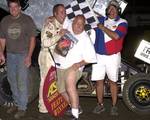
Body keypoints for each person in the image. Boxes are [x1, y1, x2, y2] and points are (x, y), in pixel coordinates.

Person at [54, 15, 97, 119]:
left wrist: (78, 65)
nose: (79, 26)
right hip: (60, 65)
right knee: (61, 90)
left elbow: (92, 58)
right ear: (72, 23)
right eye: (77, 23)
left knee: (70, 86)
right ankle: (76, 106)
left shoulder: (86, 39)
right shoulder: (68, 26)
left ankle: (75, 115)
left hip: (74, 67)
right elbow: (60, 16)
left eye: (82, 24)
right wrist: (51, 18)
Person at [0, 0, 36, 119]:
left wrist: (29, 56)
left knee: (21, 82)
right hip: (10, 54)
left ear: (20, 8)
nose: (13, 9)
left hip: (23, 54)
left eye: (16, 7)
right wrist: (1, 53)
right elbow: (2, 39)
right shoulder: (5, 21)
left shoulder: (27, 20)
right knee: (11, 80)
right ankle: (16, 103)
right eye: (11, 7)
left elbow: (32, 39)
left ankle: (22, 107)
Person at [91, 0, 128, 116]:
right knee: (99, 82)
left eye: (114, 9)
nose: (112, 11)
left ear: (118, 11)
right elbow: (83, 21)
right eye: (110, 9)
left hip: (113, 57)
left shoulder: (123, 22)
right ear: (106, 11)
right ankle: (100, 105)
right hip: (98, 56)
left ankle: (114, 106)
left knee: (113, 82)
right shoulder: (100, 20)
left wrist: (102, 28)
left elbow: (116, 36)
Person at [38, 4, 71, 113]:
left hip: (56, 56)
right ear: (55, 14)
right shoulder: (50, 24)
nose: (64, 14)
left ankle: (51, 105)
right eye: (61, 12)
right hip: (47, 56)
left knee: (53, 82)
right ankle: (43, 107)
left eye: (64, 12)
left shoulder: (62, 25)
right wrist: (59, 35)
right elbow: (45, 42)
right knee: (45, 81)